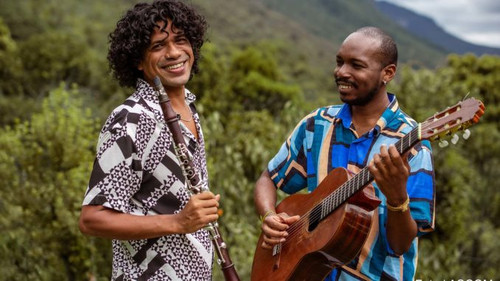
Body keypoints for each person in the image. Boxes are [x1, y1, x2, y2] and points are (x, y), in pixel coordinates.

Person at [254, 26, 435, 280]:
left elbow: (400, 245)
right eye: (339, 62)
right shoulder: (316, 125)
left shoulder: (413, 146)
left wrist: (397, 197)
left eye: (356, 66)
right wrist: (269, 216)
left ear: (388, 73)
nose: (342, 72)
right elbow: (268, 179)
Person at [78, 1, 220, 280]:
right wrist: (178, 222)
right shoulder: (130, 119)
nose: (174, 52)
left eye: (181, 40)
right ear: (138, 61)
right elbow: (92, 218)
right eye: (158, 46)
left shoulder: (188, 108)